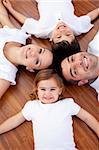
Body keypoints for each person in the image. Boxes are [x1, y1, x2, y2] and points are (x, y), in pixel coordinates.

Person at [0, 69, 98, 150]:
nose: (47, 94)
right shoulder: (32, 106)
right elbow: (15, 120)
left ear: (59, 90)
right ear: (36, 90)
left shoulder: (67, 104)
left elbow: (87, 117)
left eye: (52, 89)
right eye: (43, 89)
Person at [0, 0, 53, 98]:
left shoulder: (7, 73)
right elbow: (3, 17)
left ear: (30, 69)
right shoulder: (18, 36)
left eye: (37, 61)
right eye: (40, 51)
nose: (33, 53)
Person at [3, 0, 99, 53]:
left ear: (51, 39)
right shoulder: (78, 28)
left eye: (58, 36)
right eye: (68, 33)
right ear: (74, 36)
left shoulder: (41, 31)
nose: (62, 30)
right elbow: (90, 16)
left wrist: (10, 9)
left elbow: (25, 21)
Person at [55, 31, 99, 101]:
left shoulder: (95, 44)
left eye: (72, 59)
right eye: (74, 71)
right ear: (83, 81)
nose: (79, 62)